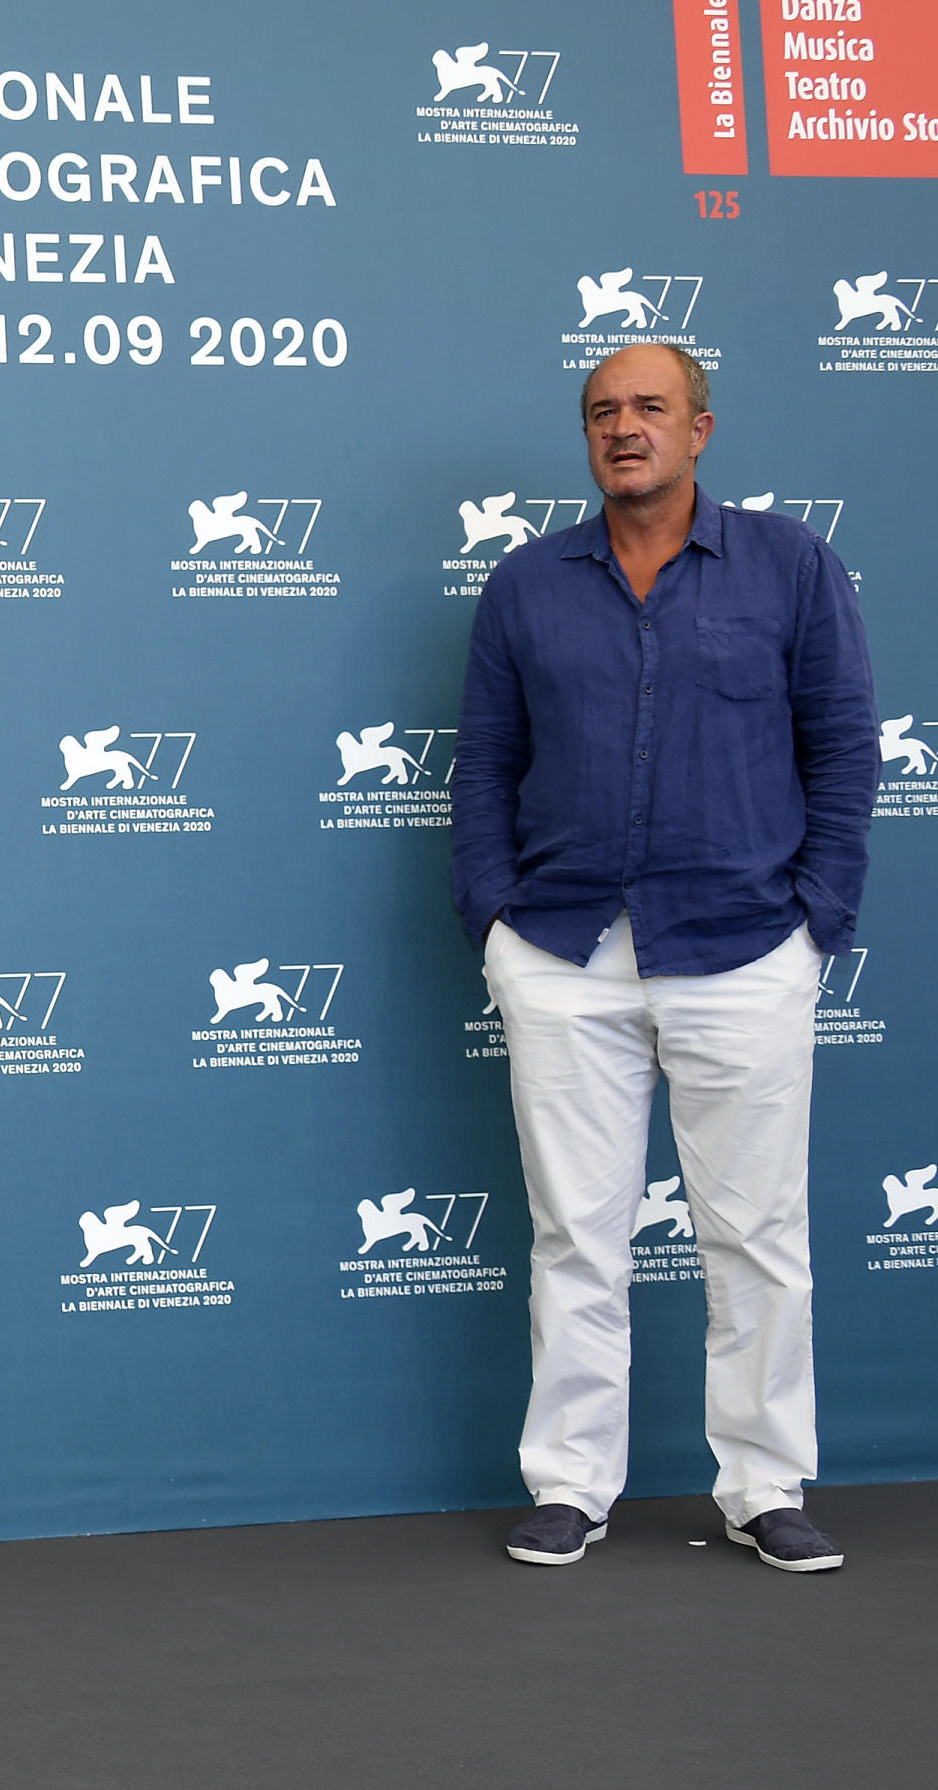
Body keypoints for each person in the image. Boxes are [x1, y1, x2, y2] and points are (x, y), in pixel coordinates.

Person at [451, 344, 873, 1573]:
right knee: (577, 1231)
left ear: (700, 427)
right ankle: (572, 1483)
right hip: (564, 951)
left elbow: (844, 748)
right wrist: (494, 920)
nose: (624, 428)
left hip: (745, 946)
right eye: (602, 412)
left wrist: (817, 921)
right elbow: (483, 765)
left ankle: (763, 1482)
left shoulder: (790, 566)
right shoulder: (527, 585)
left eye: (649, 408)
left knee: (755, 1232)